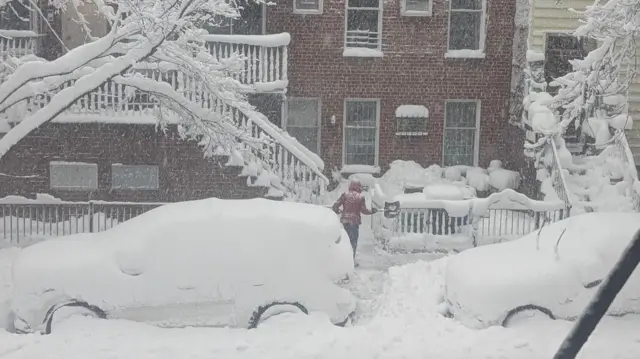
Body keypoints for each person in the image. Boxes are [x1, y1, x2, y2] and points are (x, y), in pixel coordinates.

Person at [332, 179, 378, 265]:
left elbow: (335, 206)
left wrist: (340, 211)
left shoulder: (344, 195)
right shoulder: (360, 197)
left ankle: (343, 260)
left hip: (345, 221)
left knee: (345, 240)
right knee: (353, 241)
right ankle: (351, 261)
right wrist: (372, 211)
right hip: (354, 221)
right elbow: (364, 210)